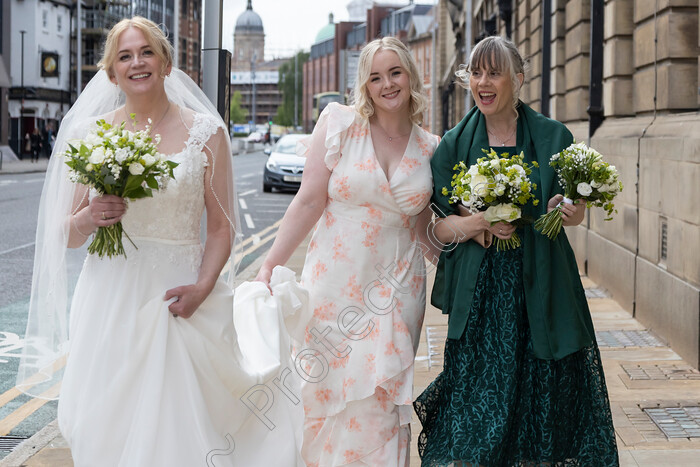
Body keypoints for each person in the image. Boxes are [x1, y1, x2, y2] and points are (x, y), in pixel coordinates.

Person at [17, 17, 303, 466]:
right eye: (124, 56)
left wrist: (203, 286)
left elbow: (222, 227)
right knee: (105, 425)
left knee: (180, 432)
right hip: (110, 303)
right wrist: (90, 217)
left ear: (166, 62)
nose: (137, 63)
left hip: (179, 299)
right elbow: (64, 235)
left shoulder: (207, 134)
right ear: (111, 73)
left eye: (146, 52)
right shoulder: (90, 136)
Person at [414, 36, 619, 466]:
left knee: (541, 413)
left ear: (519, 79)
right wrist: (477, 224)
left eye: (494, 72)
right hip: (484, 299)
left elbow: (575, 214)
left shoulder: (553, 136)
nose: (482, 82)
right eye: (475, 72)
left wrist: (569, 208)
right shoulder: (453, 145)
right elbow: (439, 229)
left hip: (543, 289)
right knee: (478, 417)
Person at [255, 37, 440, 466]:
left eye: (395, 72)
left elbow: (425, 231)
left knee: (379, 398)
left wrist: (479, 253)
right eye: (375, 77)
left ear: (411, 75)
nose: (387, 84)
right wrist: (268, 265)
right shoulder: (340, 123)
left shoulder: (431, 147)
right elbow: (307, 200)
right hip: (334, 285)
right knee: (324, 391)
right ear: (365, 84)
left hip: (397, 293)